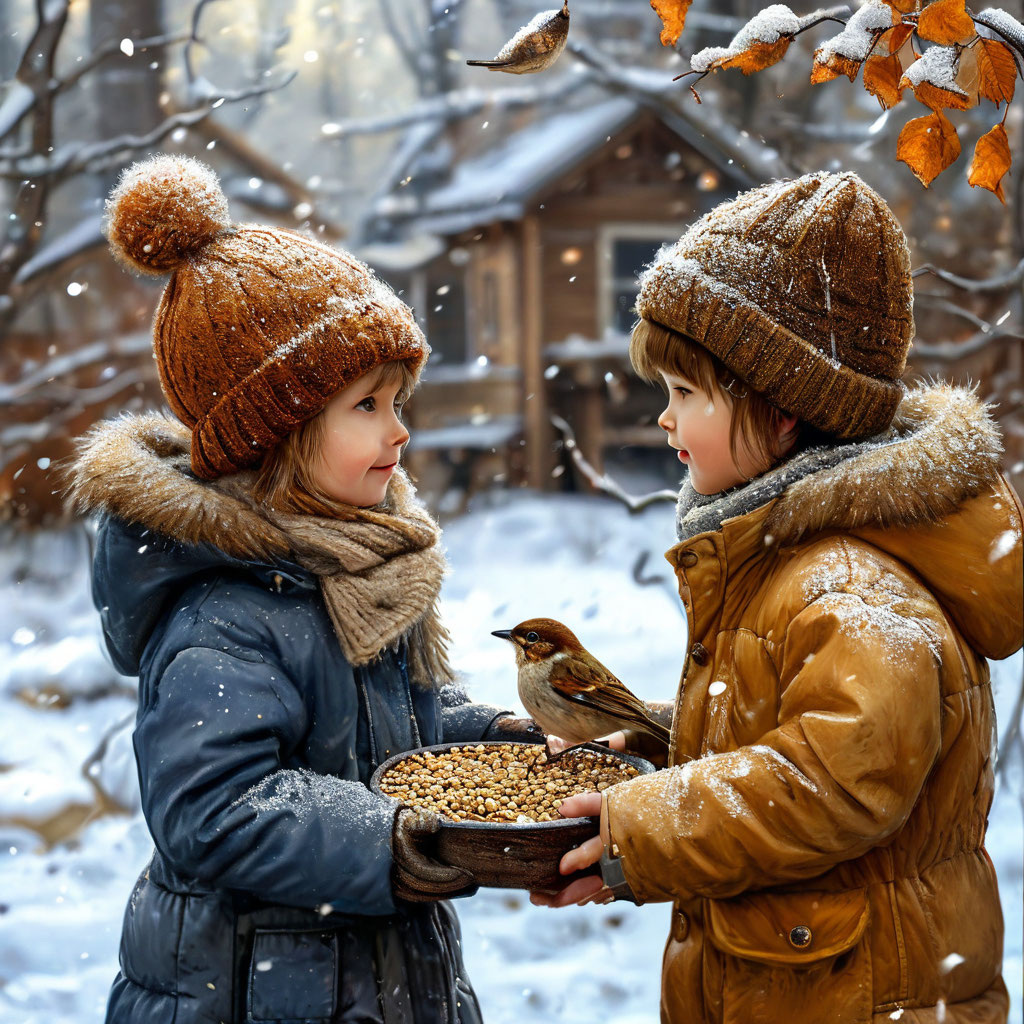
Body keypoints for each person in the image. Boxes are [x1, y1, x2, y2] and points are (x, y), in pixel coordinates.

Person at [533, 171, 1023, 1024]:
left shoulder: (852, 585)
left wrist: (642, 826)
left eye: (685, 395)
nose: (663, 420)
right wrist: (659, 748)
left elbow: (833, 783)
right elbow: (777, 733)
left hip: (861, 999)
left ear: (784, 412)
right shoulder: (786, 560)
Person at [67, 154, 539, 1024]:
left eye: (400, 399)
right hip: (252, 995)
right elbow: (213, 807)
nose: (401, 429)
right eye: (368, 405)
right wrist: (387, 842)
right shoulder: (225, 613)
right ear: (274, 432)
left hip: (385, 985)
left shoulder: (357, 566)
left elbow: (387, 739)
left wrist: (502, 741)